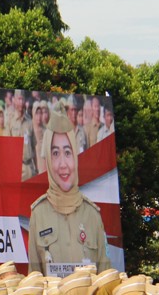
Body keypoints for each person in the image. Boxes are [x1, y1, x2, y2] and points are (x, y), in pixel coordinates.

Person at [26, 113, 111, 276]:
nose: (63, 164)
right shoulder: (39, 214)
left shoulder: (92, 215)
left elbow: (105, 277)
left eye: (67, 152)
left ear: (75, 158)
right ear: (49, 161)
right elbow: (35, 279)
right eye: (55, 154)